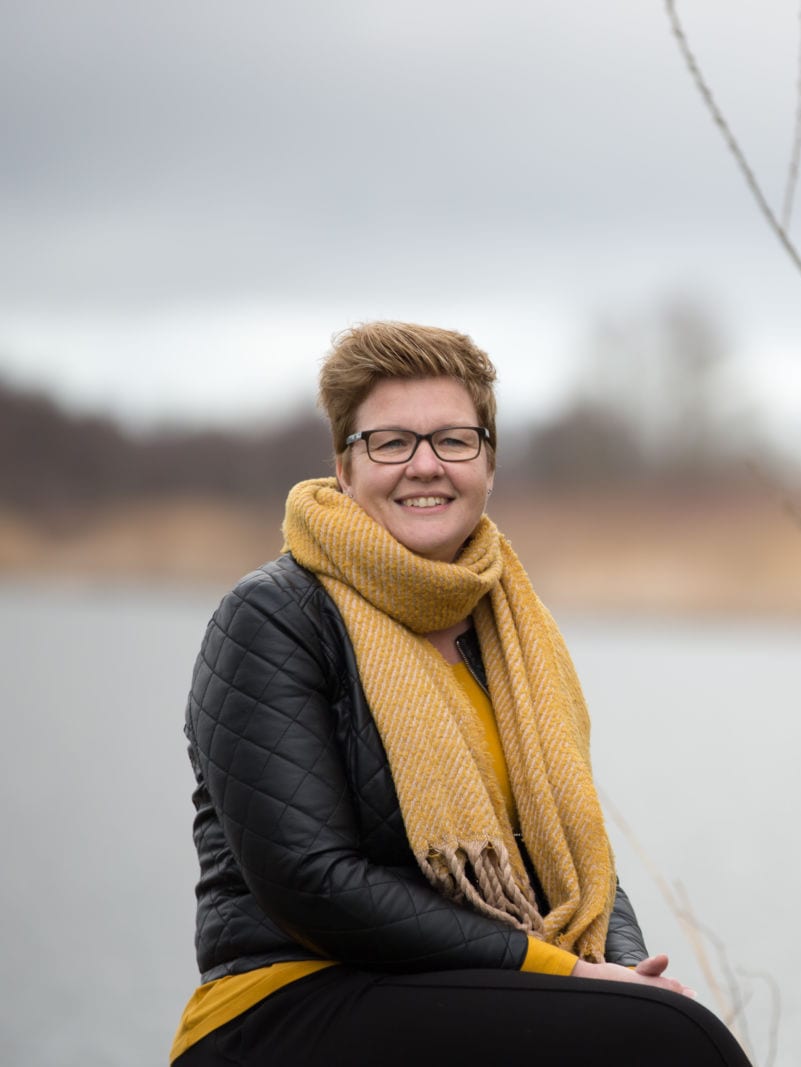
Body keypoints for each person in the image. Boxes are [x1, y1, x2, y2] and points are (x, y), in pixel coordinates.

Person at [172, 322, 752, 1066]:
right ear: (344, 467)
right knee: (676, 1041)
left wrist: (626, 973)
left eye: (453, 440)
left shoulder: (510, 632)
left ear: (488, 462)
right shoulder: (274, 616)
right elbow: (309, 881)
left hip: (471, 988)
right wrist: (563, 971)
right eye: (391, 443)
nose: (425, 466)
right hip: (285, 1002)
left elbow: (576, 857)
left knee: (663, 1020)